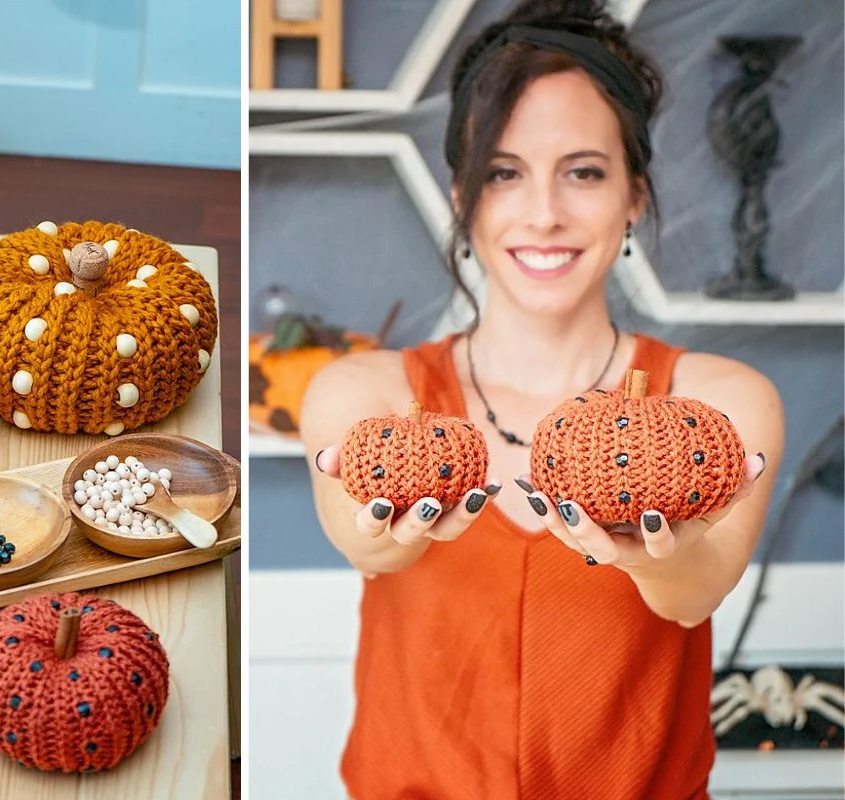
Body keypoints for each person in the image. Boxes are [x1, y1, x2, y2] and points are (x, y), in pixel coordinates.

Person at [300, 1, 784, 797]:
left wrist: (660, 553)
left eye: (585, 171)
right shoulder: (367, 393)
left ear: (634, 193)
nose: (545, 213)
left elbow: (695, 598)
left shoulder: (723, 402)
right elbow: (366, 550)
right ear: (463, 195)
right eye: (504, 172)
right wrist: (385, 532)